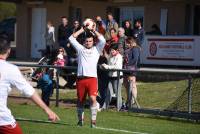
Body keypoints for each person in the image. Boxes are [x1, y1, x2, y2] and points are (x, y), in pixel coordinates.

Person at [0, 37, 59, 134]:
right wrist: (47, 109)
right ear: (9, 51)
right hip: (3, 120)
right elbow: (29, 92)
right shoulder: (10, 69)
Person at [68, 20, 106, 128]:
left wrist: (94, 31)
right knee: (80, 101)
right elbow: (71, 38)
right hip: (81, 79)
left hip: (92, 79)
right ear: (84, 42)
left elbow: (103, 40)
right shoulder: (80, 49)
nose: (88, 43)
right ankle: (80, 121)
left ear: (93, 41)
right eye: (87, 41)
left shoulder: (97, 50)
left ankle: (93, 122)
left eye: (90, 41)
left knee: (93, 99)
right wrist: (82, 29)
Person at [101, 43, 123, 111]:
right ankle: (104, 107)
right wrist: (104, 66)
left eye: (113, 50)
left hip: (118, 77)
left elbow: (117, 67)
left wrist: (107, 66)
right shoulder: (110, 56)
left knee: (117, 93)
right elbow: (109, 65)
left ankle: (119, 107)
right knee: (109, 92)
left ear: (117, 50)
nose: (111, 52)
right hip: (111, 77)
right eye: (111, 50)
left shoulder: (119, 57)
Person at [123, 37, 140, 108]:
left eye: (127, 42)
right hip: (126, 69)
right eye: (125, 43)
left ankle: (133, 101)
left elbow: (135, 59)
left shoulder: (135, 49)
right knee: (126, 84)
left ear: (131, 42)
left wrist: (128, 64)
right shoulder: (127, 49)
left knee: (132, 85)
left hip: (132, 69)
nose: (126, 44)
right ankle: (129, 99)